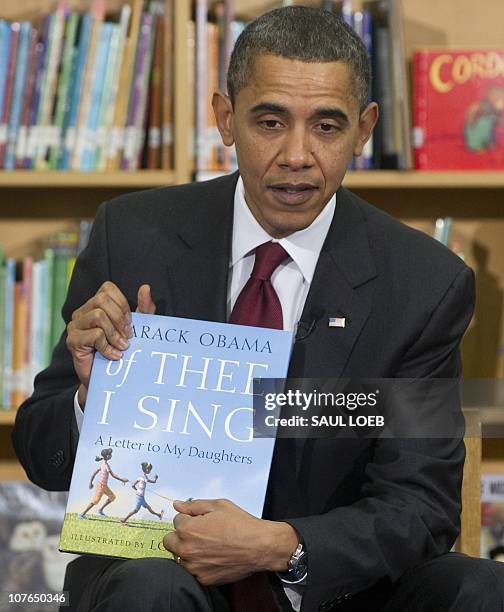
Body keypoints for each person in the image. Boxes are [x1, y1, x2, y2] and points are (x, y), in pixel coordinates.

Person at [11, 6, 504, 612]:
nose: (297, 155)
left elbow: (421, 506)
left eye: (327, 126)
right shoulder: (133, 234)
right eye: (270, 121)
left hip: (333, 587)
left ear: (365, 128)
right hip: (159, 572)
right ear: (225, 118)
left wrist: (282, 546)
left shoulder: (425, 284)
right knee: (152, 588)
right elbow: (41, 454)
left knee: (481, 589)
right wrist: (92, 397)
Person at [79, 447, 128, 519]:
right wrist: (122, 479)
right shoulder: (106, 466)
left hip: (104, 486)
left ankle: (100, 510)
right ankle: (82, 514)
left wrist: (91, 482)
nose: (111, 455)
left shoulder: (103, 464)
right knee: (95, 500)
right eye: (110, 454)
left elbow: (94, 474)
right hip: (100, 486)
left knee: (112, 497)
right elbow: (113, 475)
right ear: (107, 456)